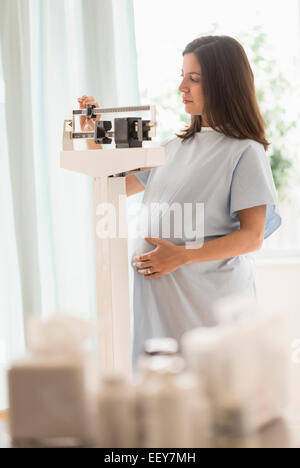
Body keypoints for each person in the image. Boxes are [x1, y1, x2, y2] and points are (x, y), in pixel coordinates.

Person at [78, 35, 282, 368]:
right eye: (182, 75)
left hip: (209, 303)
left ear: (223, 83)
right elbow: (110, 188)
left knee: (213, 398)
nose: (181, 87)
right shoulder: (171, 148)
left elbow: (252, 236)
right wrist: (92, 135)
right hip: (161, 304)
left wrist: (182, 256)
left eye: (194, 78)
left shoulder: (245, 151)